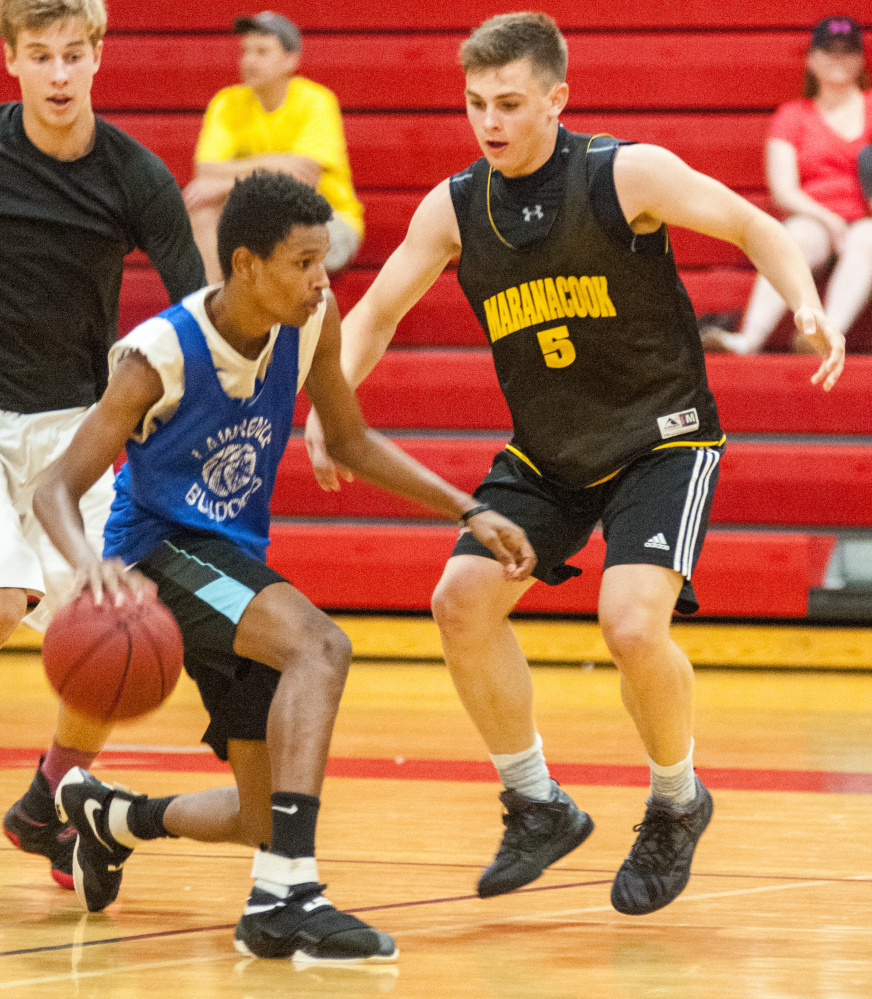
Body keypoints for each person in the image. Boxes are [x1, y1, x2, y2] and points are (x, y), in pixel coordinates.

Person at [305, 12, 845, 916]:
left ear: (557, 98)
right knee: (459, 601)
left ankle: (677, 801)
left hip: (661, 436)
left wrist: (804, 302)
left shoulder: (624, 173)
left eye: (510, 103)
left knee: (631, 624)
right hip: (553, 450)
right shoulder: (453, 206)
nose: (490, 120)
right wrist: (332, 404)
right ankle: (536, 802)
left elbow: (756, 223)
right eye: (476, 103)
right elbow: (376, 312)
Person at [30, 170, 535, 960]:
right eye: (303, 262)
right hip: (156, 554)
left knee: (262, 813)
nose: (321, 279)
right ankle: (287, 894)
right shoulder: (161, 352)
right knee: (321, 643)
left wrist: (467, 509)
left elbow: (355, 440)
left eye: (322, 260)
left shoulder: (313, 321)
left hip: (229, 560)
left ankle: (111, 818)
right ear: (246, 265)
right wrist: (91, 566)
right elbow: (57, 486)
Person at [1, 0, 205, 889]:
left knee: (112, 634)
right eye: (37, 55)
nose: (55, 73)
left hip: (76, 433)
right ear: (10, 61)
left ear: (97, 58)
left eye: (71, 55)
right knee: (5, 594)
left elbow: (199, 305)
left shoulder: (134, 176)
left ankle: (47, 800)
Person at [702, 15, 872, 355]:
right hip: (813, 216)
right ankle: (748, 339)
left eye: (846, 51)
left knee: (868, 238)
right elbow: (784, 190)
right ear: (811, 59)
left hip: (866, 218)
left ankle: (828, 335)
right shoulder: (793, 116)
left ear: (860, 59)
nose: (837, 59)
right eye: (828, 51)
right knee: (795, 236)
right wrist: (829, 219)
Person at [184, 10, 363, 282]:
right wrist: (275, 163)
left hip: (327, 222)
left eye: (262, 51)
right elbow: (205, 172)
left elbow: (302, 182)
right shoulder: (226, 102)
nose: (249, 60)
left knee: (268, 229)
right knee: (204, 211)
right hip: (258, 218)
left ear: (290, 60)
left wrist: (228, 183)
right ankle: (210, 309)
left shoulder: (316, 101)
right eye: (245, 51)